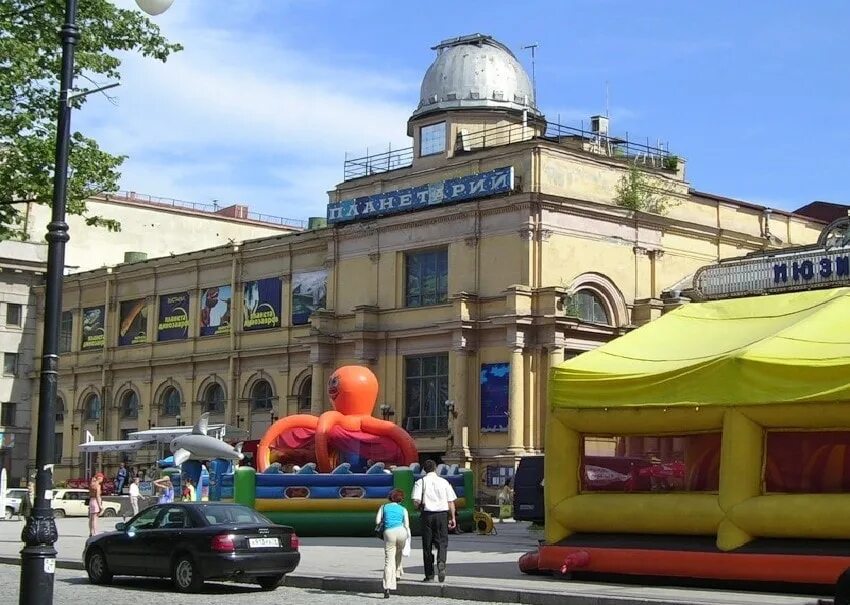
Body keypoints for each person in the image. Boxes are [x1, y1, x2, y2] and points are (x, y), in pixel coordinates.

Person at [412, 459, 457, 583]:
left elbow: (416, 501)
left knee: (427, 546)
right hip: (442, 515)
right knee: (442, 542)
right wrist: (452, 517)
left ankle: (429, 575)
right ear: (436, 468)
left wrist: (419, 504)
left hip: (427, 515)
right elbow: (450, 502)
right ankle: (441, 561)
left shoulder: (420, 482)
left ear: (424, 470)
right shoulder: (444, 482)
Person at [376, 489, 410, 599]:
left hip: (389, 532)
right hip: (401, 532)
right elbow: (407, 524)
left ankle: (387, 587)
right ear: (401, 499)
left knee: (388, 560)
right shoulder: (403, 509)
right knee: (398, 551)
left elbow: (377, 521)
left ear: (390, 498)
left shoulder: (384, 507)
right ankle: (397, 572)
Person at [88, 473, 104, 537]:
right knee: (95, 518)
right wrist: (100, 506)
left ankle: (91, 532)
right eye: (102, 478)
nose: (102, 480)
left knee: (91, 518)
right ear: (99, 478)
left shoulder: (92, 484)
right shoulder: (98, 485)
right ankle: (95, 533)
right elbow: (98, 496)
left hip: (91, 501)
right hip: (95, 502)